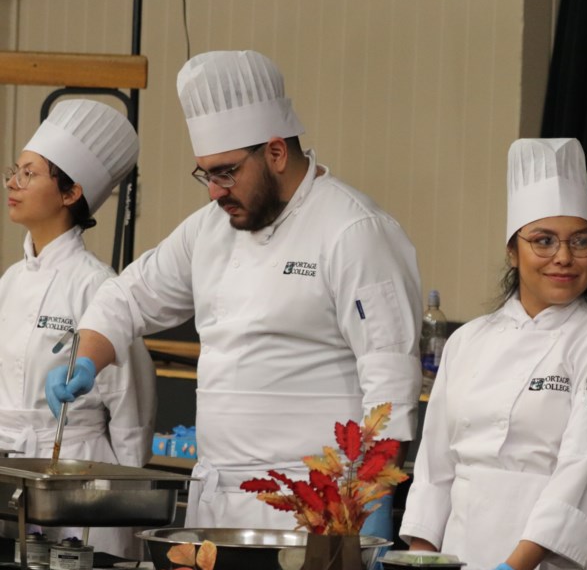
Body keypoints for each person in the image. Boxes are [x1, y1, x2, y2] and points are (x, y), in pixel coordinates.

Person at [43, 51, 422, 538]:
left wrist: (369, 515)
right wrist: (88, 359)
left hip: (315, 510)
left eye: (225, 172)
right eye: (206, 174)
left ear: (276, 153)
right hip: (217, 502)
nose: (214, 192)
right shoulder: (210, 229)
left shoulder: (354, 230)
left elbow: (389, 380)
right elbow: (128, 297)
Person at [400, 138, 587, 570]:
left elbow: (586, 472)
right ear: (513, 251)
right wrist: (421, 566)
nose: (564, 258)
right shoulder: (467, 341)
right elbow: (436, 467)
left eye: (581, 241)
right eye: (544, 241)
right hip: (458, 555)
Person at [0, 99, 156, 558]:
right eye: (15, 170)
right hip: (13, 474)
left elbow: (133, 407)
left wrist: (128, 502)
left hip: (83, 480)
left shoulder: (99, 286)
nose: (13, 182)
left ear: (70, 194)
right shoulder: (9, 281)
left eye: (30, 173)